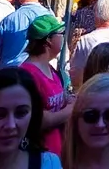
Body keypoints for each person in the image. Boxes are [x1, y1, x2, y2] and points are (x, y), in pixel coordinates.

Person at [23, 15, 73, 155]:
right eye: (61, 33)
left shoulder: (49, 68)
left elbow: (56, 100)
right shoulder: (28, 74)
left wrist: (68, 99)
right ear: (48, 40)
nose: (63, 37)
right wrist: (71, 108)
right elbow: (38, 119)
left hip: (57, 153)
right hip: (39, 155)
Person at [0, 0, 52, 69]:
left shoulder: (8, 19)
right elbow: (57, 46)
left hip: (8, 73)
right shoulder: (49, 17)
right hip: (36, 73)